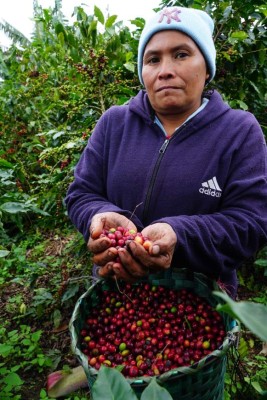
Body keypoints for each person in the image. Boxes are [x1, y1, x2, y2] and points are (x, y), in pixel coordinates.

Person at [65, 6, 267, 299]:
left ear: (207, 66)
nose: (165, 70)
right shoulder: (114, 123)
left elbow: (252, 222)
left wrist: (180, 235)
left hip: (200, 302)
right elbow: (81, 194)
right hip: (118, 292)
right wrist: (100, 215)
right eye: (153, 59)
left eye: (181, 54)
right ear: (142, 70)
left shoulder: (238, 131)